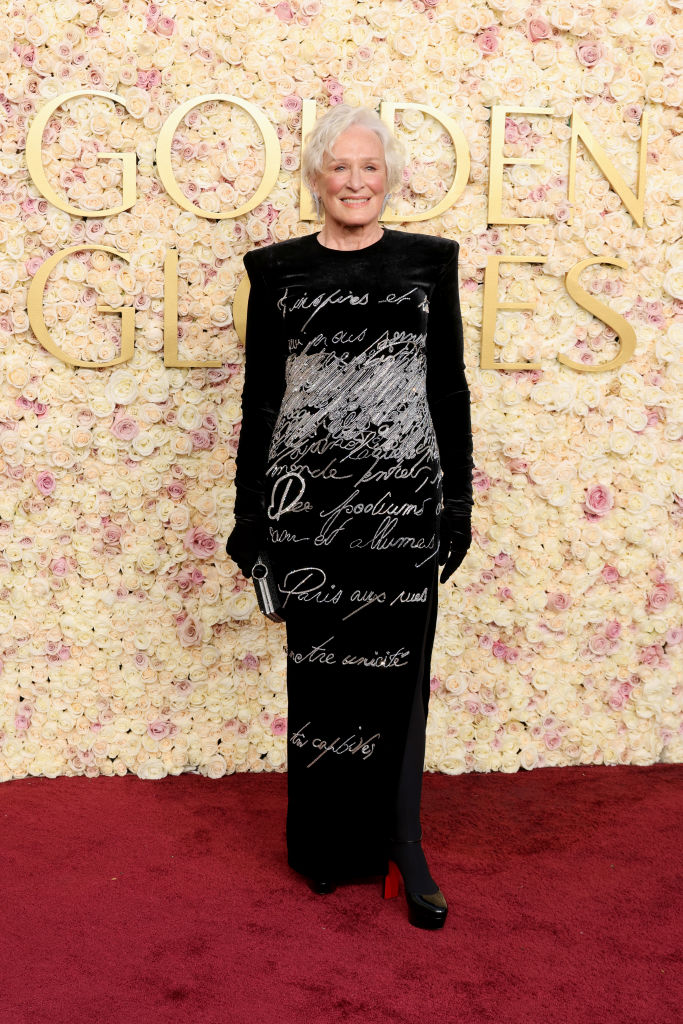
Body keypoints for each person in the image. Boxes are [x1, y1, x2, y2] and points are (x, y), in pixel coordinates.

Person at [226, 104, 473, 929]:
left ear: (389, 178)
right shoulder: (275, 270)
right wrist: (251, 517)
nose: (356, 181)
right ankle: (327, 847)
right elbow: (260, 400)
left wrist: (456, 502)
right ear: (316, 178)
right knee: (323, 675)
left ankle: (402, 844)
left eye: (370, 167)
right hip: (311, 509)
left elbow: (447, 391)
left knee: (397, 682)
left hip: (401, 505)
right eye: (341, 167)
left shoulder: (429, 264)